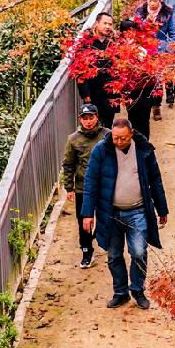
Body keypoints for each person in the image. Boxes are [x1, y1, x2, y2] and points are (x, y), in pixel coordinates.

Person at [81, 116, 169, 310]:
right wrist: (87, 213)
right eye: (115, 138)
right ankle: (120, 292)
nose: (119, 142)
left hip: (137, 210)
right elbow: (90, 182)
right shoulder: (101, 151)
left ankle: (137, 289)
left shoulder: (144, 150)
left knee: (138, 251)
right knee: (113, 255)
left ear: (131, 134)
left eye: (123, 138)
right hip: (109, 212)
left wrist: (162, 208)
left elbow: (155, 180)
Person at [62, 103, 108, 268]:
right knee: (84, 221)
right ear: (80, 119)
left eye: (91, 118)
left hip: (105, 185)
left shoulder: (107, 135)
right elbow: (68, 164)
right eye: (85, 118)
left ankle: (107, 244)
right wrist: (69, 187)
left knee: (106, 217)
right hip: (83, 187)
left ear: (97, 117)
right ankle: (87, 250)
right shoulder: (73, 139)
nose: (88, 122)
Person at [130, 0, 174, 128]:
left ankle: (156, 104)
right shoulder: (140, 12)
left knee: (158, 79)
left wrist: (167, 47)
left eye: (155, 1)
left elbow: (172, 32)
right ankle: (145, 101)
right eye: (150, 1)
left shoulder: (167, 13)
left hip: (160, 49)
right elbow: (135, 30)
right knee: (145, 77)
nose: (152, 4)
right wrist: (145, 23)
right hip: (143, 50)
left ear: (159, 1)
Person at [76, 11, 119, 129]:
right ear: (97, 23)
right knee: (94, 125)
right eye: (105, 23)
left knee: (108, 125)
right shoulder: (86, 43)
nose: (108, 27)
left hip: (110, 91)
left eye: (110, 24)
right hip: (93, 90)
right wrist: (85, 94)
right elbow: (80, 71)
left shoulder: (113, 42)